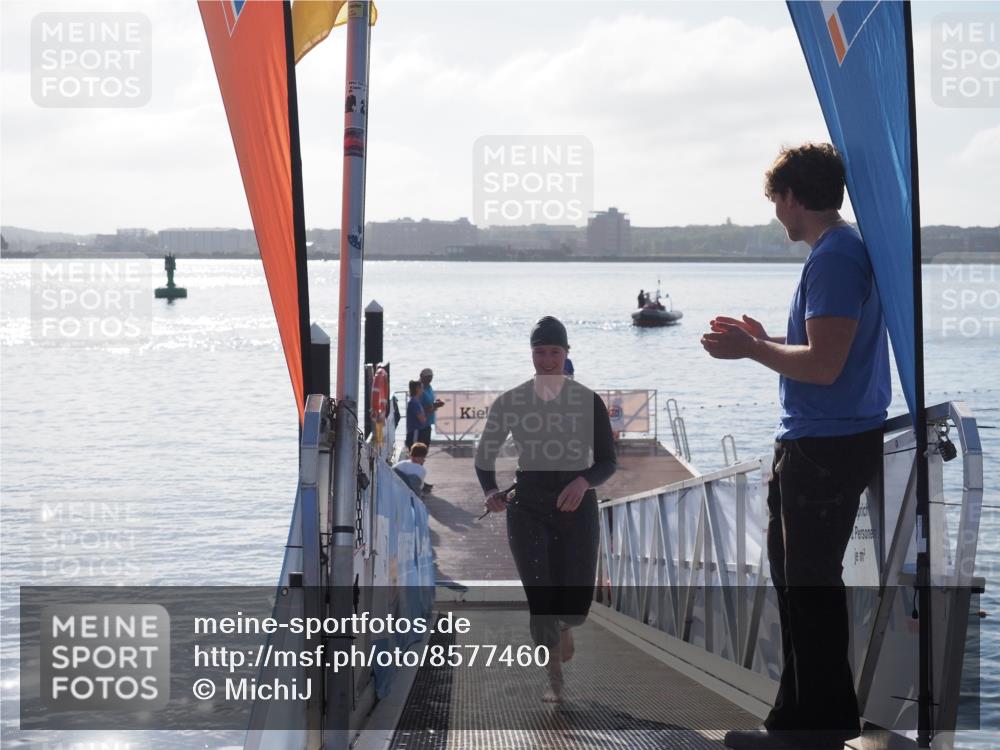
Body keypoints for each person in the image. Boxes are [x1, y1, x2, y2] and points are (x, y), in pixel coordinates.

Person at [702, 143, 890, 750]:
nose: (776, 214)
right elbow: (822, 347)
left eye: (775, 201)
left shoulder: (835, 256)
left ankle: (815, 730)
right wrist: (769, 338)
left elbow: (827, 365)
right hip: (824, 443)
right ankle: (796, 723)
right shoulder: (839, 251)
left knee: (808, 586)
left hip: (826, 448)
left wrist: (752, 351)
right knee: (799, 584)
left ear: (792, 197)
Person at [475, 316, 617, 703]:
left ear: (567, 353)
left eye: (555, 351)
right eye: (540, 352)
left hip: (576, 505)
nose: (548, 359)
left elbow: (607, 461)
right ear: (532, 354)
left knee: (574, 604)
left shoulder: (588, 401)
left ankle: (566, 623)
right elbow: (484, 456)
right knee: (540, 596)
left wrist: (584, 480)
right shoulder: (512, 401)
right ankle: (553, 679)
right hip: (529, 507)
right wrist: (490, 490)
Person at [417, 367, 445, 446]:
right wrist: (434, 405)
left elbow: (429, 402)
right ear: (421, 376)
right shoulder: (418, 388)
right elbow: (417, 408)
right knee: (419, 446)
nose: (429, 379)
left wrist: (436, 403)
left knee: (425, 445)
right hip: (419, 424)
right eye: (427, 376)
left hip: (427, 422)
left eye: (431, 377)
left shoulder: (429, 387)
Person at [405, 380, 427, 450]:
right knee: (415, 452)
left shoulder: (416, 402)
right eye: (421, 388)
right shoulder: (414, 403)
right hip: (414, 432)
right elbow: (422, 419)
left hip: (415, 432)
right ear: (417, 389)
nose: (422, 391)